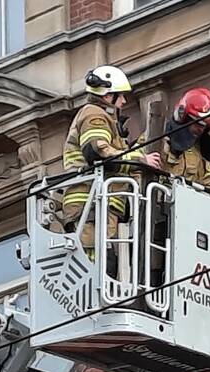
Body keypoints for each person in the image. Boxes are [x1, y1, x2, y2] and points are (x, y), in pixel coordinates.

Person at [62, 65, 161, 262]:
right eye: (121, 96)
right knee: (95, 266)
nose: (124, 101)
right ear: (108, 96)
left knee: (108, 265)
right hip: (89, 205)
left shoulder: (106, 119)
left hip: (102, 207)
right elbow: (98, 153)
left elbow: (117, 156)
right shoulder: (94, 115)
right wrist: (141, 161)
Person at [161, 87, 210, 189]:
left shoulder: (203, 153)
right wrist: (144, 160)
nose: (201, 130)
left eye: (205, 127)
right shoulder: (160, 139)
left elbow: (208, 187)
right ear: (185, 117)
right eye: (199, 124)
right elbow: (133, 160)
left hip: (186, 203)